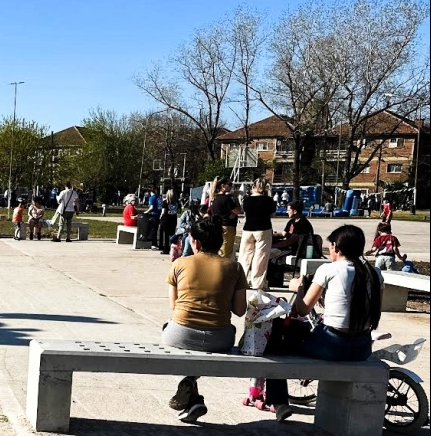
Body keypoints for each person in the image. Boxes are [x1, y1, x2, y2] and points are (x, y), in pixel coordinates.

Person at [264, 225, 382, 421]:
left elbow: (302, 310)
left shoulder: (329, 269)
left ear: (336, 247)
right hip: (362, 347)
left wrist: (298, 287)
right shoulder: (375, 273)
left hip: (332, 346)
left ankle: (279, 402)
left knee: (276, 336)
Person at [161, 219, 249, 423]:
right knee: (206, 337)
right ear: (220, 242)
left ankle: (185, 379)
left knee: (168, 330)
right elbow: (239, 310)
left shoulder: (180, 264)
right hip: (221, 338)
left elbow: (175, 307)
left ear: (195, 242)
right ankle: (194, 400)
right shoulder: (234, 267)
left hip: (181, 334)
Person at [238, 178, 274, 289]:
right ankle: (257, 283)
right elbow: (272, 214)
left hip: (248, 229)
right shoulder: (268, 200)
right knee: (260, 256)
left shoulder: (246, 200)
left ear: (253, 187)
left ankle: (240, 280)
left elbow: (245, 214)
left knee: (244, 256)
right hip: (263, 229)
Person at [209, 178, 242, 258]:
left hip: (217, 226)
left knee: (219, 249)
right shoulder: (226, 199)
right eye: (230, 185)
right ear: (223, 186)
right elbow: (238, 211)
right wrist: (236, 198)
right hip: (227, 226)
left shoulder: (215, 198)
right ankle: (223, 268)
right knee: (226, 251)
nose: (231, 187)